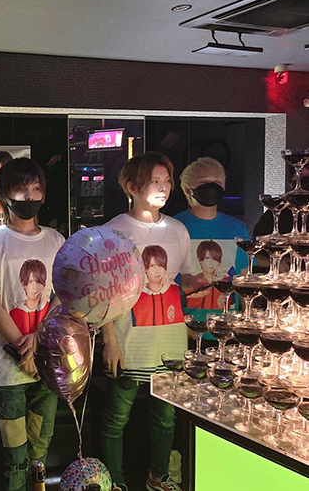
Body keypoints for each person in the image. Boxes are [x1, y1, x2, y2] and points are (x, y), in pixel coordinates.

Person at [101, 152, 193, 491]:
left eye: (167, 181)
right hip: (129, 339)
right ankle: (114, 481)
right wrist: (109, 340)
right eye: (155, 181)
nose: (164, 187)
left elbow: (182, 282)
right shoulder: (113, 230)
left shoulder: (178, 229)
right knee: (117, 416)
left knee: (166, 416)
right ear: (132, 187)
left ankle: (159, 475)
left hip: (169, 340)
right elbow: (104, 293)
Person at [0, 158, 64, 491]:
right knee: (14, 454)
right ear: (3, 195)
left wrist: (38, 341)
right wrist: (24, 346)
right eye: (21, 190)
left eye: (35, 188)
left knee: (41, 446)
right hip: (5, 364)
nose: (29, 196)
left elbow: (60, 296)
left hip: (46, 360)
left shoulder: (56, 240)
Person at [174, 157, 248, 324]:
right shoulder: (175, 226)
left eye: (217, 182)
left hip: (228, 324)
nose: (211, 187)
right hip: (185, 324)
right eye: (204, 182)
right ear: (188, 189)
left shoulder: (237, 228)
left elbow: (244, 278)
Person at [133, 245, 184, 326]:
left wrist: (173, 276)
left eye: (160, 265)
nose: (157, 271)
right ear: (145, 268)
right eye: (152, 266)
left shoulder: (176, 289)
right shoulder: (137, 296)